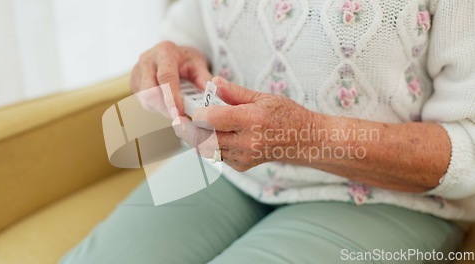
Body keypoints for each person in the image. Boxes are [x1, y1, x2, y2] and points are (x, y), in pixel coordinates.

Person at [61, 0, 475, 263]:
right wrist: (168, 59)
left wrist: (308, 137)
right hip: (219, 169)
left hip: (388, 199)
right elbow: (188, 32)